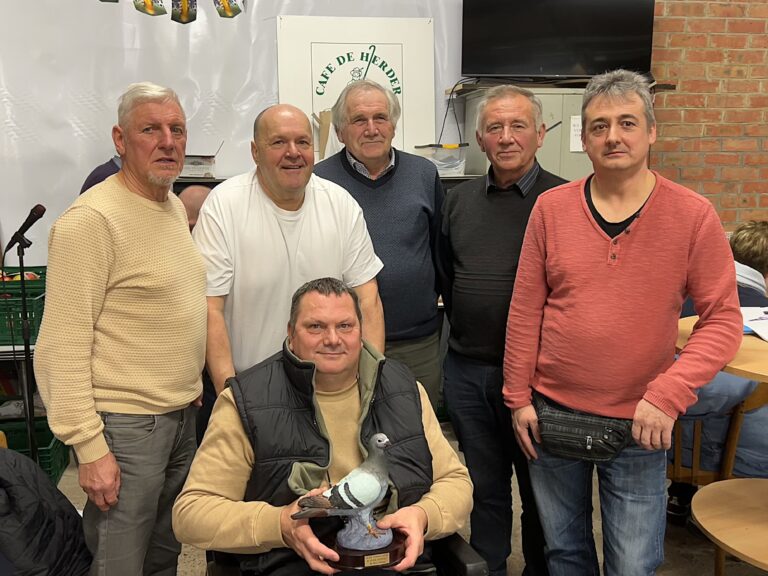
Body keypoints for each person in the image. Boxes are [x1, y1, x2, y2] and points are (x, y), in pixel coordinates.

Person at [503, 69, 742, 576]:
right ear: (585, 139)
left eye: (627, 123)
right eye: (599, 126)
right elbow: (526, 310)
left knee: (634, 564)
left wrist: (668, 394)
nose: (613, 136)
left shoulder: (693, 215)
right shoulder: (551, 209)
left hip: (642, 422)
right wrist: (518, 398)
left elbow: (722, 320)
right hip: (553, 416)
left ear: (651, 132)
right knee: (564, 553)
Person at [172, 277, 472, 575]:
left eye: (345, 326)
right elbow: (192, 513)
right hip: (291, 565)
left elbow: (456, 482)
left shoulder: (404, 390)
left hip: (396, 563)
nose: (332, 339)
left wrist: (423, 515)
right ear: (291, 334)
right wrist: (279, 524)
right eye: (316, 326)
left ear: (361, 331)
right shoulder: (246, 402)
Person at [34, 82, 207, 575]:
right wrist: (89, 448)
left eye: (177, 130)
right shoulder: (91, 221)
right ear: (120, 139)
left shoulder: (170, 206)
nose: (168, 142)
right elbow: (60, 347)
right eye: (150, 130)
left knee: (163, 555)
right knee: (120, 562)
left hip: (178, 416)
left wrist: (187, 377)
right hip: (126, 428)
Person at [436, 84, 563, 576]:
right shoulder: (459, 201)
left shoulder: (566, 201)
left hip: (540, 378)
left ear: (540, 134)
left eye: (518, 126)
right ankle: (488, 566)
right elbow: (448, 275)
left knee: (542, 489)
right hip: (469, 371)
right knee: (485, 486)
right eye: (495, 127)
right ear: (479, 139)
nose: (506, 137)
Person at [193, 104, 385, 397]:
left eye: (303, 142)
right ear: (255, 152)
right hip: (249, 386)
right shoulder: (224, 206)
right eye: (279, 142)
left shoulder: (340, 204)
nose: (293, 152)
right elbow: (211, 309)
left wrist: (369, 389)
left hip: (328, 388)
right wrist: (230, 400)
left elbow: (368, 299)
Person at [315, 80, 444, 407]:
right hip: (341, 344)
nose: (371, 129)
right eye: (359, 120)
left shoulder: (424, 174)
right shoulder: (318, 181)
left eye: (380, 118)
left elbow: (440, 251)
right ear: (340, 132)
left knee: (417, 428)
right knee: (350, 429)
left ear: (394, 126)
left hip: (417, 343)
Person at [669, 220, 768, 520]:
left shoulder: (683, 297)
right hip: (718, 449)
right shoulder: (752, 315)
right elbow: (713, 391)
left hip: (666, 440)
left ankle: (681, 493)